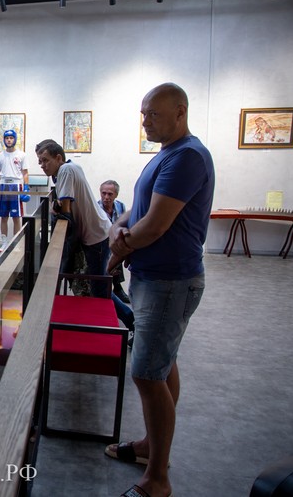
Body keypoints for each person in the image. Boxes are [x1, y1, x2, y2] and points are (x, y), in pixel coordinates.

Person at [104, 83, 214, 497]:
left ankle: (157, 479)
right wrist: (116, 230)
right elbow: (135, 212)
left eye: (153, 113)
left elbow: (154, 226)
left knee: (147, 374)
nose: (145, 121)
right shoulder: (167, 154)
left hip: (170, 282)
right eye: (143, 114)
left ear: (180, 112)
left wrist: (119, 249)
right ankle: (152, 447)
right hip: (155, 279)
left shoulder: (187, 157)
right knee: (162, 366)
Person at [35, 139, 111, 298]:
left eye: (45, 160)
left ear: (58, 158)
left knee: (98, 288)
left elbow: (65, 208)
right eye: (40, 161)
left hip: (96, 235)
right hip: (96, 232)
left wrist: (58, 208)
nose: (42, 165)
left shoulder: (66, 170)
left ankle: (124, 313)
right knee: (96, 285)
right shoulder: (71, 167)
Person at [0, 129, 30, 252]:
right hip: (3, 185)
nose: (9, 140)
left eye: (11, 138)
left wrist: (26, 187)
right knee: (3, 217)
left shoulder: (22, 155)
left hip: (16, 186)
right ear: (4, 140)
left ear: (15, 139)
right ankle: (4, 243)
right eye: (7, 138)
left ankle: (16, 243)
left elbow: (25, 173)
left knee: (16, 217)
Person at [98, 180, 130, 303]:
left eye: (110, 194)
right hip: (101, 242)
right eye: (103, 193)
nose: (106, 197)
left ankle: (117, 287)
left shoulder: (120, 206)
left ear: (116, 195)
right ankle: (114, 288)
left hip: (114, 241)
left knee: (119, 248)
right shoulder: (96, 208)